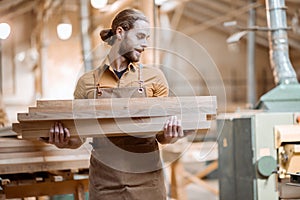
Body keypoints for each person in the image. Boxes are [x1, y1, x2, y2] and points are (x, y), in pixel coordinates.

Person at [48, 9, 187, 200]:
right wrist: (63, 142)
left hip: (147, 179)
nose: (145, 44)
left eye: (147, 38)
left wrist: (171, 136)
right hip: (106, 181)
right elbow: (79, 137)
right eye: (140, 36)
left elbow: (161, 135)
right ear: (120, 32)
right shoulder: (87, 82)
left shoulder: (155, 78)